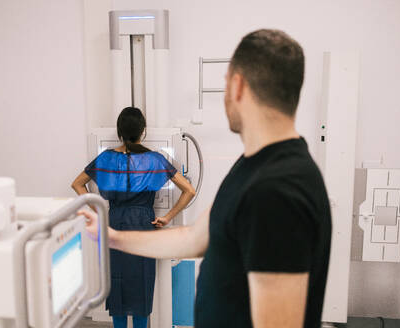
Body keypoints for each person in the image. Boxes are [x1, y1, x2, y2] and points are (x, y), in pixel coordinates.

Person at [79, 29, 332, 328]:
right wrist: (113, 237)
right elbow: (195, 239)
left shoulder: (277, 189)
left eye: (225, 86)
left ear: (237, 86)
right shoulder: (252, 168)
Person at [71, 107, 196, 328]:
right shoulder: (155, 159)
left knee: (116, 285)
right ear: (143, 131)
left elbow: (77, 184)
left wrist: (98, 210)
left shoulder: (106, 158)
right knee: (142, 287)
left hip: (115, 224)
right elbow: (189, 190)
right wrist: (167, 217)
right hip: (143, 227)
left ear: (119, 131)